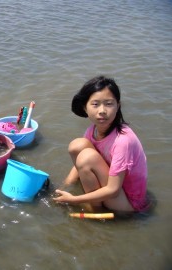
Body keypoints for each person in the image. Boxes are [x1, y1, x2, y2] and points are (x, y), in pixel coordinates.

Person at [53, 75, 148, 212]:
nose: (102, 111)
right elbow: (79, 162)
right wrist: (65, 186)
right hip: (112, 186)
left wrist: (74, 200)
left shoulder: (123, 140)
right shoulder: (92, 130)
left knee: (87, 157)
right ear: (85, 108)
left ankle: (95, 208)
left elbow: (114, 190)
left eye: (109, 104)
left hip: (127, 202)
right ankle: (93, 200)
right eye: (95, 104)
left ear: (118, 106)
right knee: (77, 145)